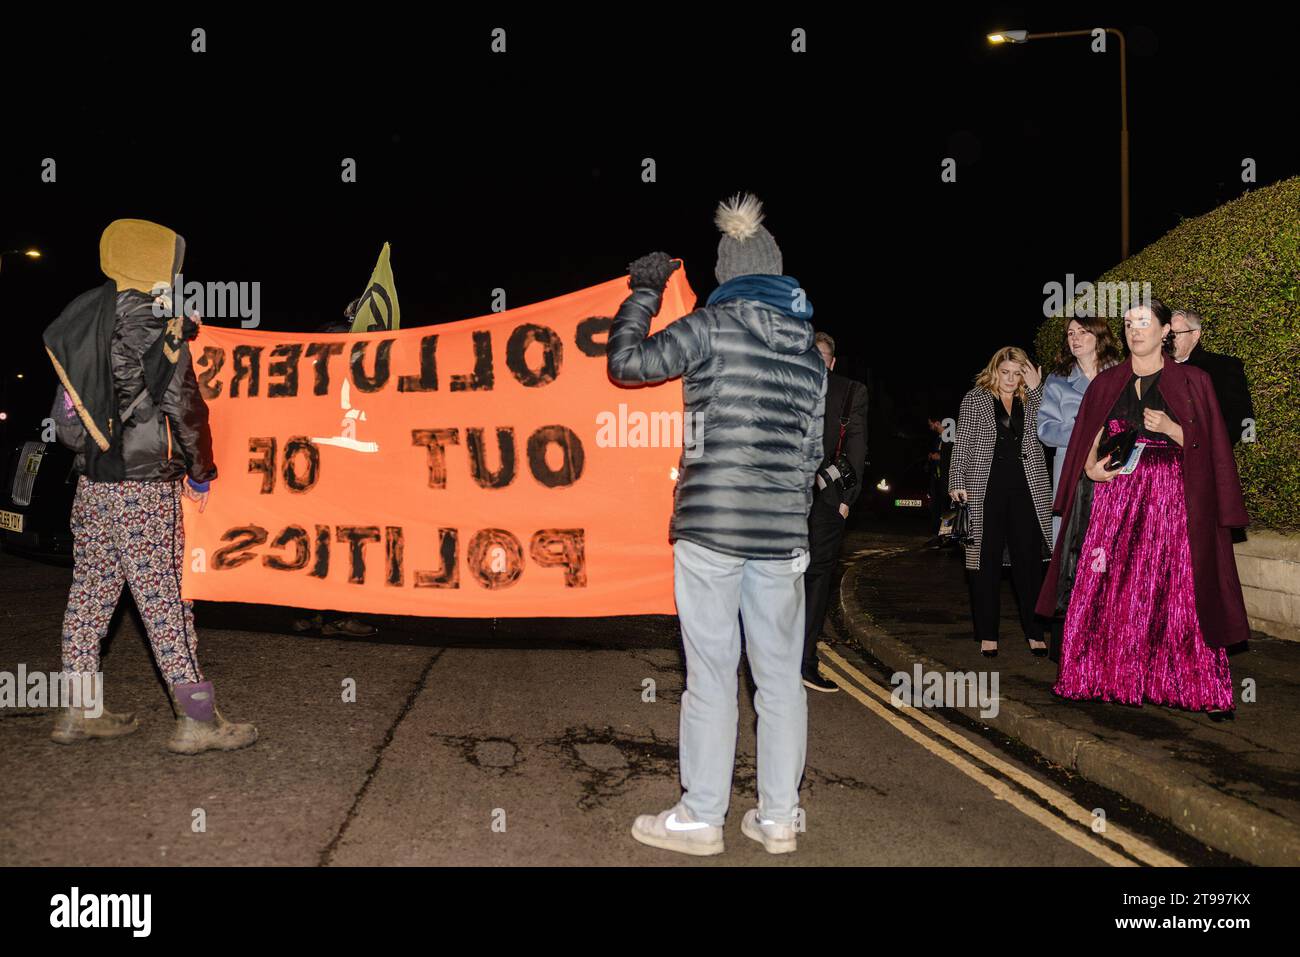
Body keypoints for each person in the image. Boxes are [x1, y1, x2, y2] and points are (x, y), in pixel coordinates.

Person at [607, 193, 825, 856]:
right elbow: (814, 454)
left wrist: (644, 292)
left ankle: (703, 816)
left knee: (711, 671)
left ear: (727, 272)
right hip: (783, 534)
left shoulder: (712, 324)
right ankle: (779, 816)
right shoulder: (812, 355)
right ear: (779, 271)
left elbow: (627, 364)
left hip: (711, 528)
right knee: (780, 675)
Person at [42, 219, 257, 754]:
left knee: (89, 598)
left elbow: (69, 426)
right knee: (166, 604)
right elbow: (184, 406)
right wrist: (201, 471)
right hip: (145, 490)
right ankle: (199, 720)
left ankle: (78, 712)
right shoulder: (157, 323)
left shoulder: (83, 319)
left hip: (93, 485)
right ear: (156, 263)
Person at [1036, 299, 1250, 718]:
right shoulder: (1106, 381)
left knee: (1177, 591)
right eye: (1130, 323)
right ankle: (1098, 677)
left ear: (1165, 330)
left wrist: (1173, 429)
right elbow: (1087, 434)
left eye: (1145, 322)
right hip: (1115, 497)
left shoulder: (1193, 380)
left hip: (1171, 500)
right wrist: (1090, 468)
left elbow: (1212, 444)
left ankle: (1193, 684)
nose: (1136, 330)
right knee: (1106, 587)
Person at [948, 347, 1053, 657]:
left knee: (1029, 563)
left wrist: (1036, 389)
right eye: (1004, 373)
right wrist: (956, 480)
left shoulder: (1031, 398)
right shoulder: (975, 398)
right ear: (994, 371)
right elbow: (962, 442)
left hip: (1027, 488)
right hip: (986, 488)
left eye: (1016, 373)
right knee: (985, 562)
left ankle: (1035, 632)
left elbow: (1048, 428)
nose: (1010, 379)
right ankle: (988, 634)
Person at [290, 316, 379, 637]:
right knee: (320, 540)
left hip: (345, 472)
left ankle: (323, 613)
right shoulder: (313, 377)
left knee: (337, 542)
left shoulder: (356, 378)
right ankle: (323, 614)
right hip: (319, 473)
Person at [801, 331, 866, 693]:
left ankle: (802, 662)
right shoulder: (786, 385)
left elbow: (857, 447)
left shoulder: (850, 391)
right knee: (792, 579)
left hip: (823, 501)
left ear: (831, 362)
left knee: (812, 578)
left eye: (820, 358)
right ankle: (788, 662)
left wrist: (846, 500)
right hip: (795, 498)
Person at [1037, 316, 1123, 541]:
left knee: (1112, 534)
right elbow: (1045, 430)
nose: (1075, 338)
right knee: (1072, 537)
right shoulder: (1057, 380)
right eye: (1070, 334)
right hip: (1070, 464)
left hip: (1113, 461)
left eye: (1082, 332)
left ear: (1099, 337)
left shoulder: (1122, 375)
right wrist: (1084, 433)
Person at [1170, 309, 1254, 446]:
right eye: (1168, 334)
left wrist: (1212, 446)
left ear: (1195, 334)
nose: (1170, 339)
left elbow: (1242, 418)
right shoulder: (1156, 368)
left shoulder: (1224, 367)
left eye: (1176, 334)